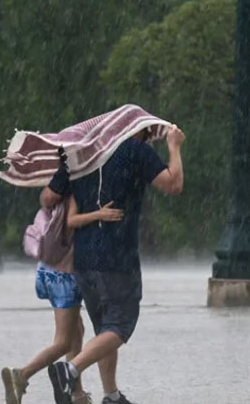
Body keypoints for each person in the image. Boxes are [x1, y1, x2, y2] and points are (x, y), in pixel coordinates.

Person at [39, 125, 185, 404]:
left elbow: (47, 197)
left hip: (84, 260)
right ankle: (69, 371)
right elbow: (173, 184)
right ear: (138, 132)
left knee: (104, 329)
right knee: (120, 325)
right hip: (118, 257)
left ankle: (112, 395)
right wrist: (174, 147)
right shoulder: (135, 151)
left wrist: (75, 186)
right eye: (147, 135)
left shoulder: (82, 155)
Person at [0, 197, 124, 404]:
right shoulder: (76, 184)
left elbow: (46, 199)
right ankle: (21, 375)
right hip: (64, 275)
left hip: (49, 268)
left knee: (77, 330)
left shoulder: (58, 184)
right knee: (64, 341)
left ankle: (76, 395)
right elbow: (72, 221)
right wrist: (99, 215)